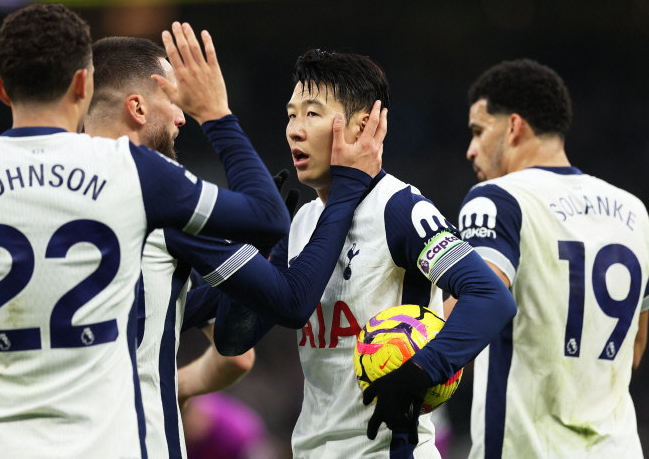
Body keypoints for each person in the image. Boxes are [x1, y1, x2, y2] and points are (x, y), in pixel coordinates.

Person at [0, 5, 292, 458]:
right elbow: (269, 217)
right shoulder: (132, 172)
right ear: (83, 85)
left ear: (2, 91)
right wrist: (217, 113)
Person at [84, 34, 387, 458]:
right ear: (137, 107)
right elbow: (291, 299)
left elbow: (190, 320)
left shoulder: (29, 194)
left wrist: (250, 256)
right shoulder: (154, 192)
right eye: (175, 101)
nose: (181, 117)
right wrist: (214, 112)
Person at [207, 49, 517, 459]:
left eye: (312, 114)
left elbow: (491, 296)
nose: (294, 131)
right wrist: (254, 245)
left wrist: (422, 371)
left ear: (362, 126)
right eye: (291, 115)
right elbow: (235, 338)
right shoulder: (303, 222)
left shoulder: (400, 208)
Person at [454, 59, 649, 459]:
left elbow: (474, 303)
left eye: (478, 131)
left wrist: (406, 349)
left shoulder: (498, 199)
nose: (470, 149)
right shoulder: (633, 211)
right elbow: (635, 348)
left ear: (513, 126)